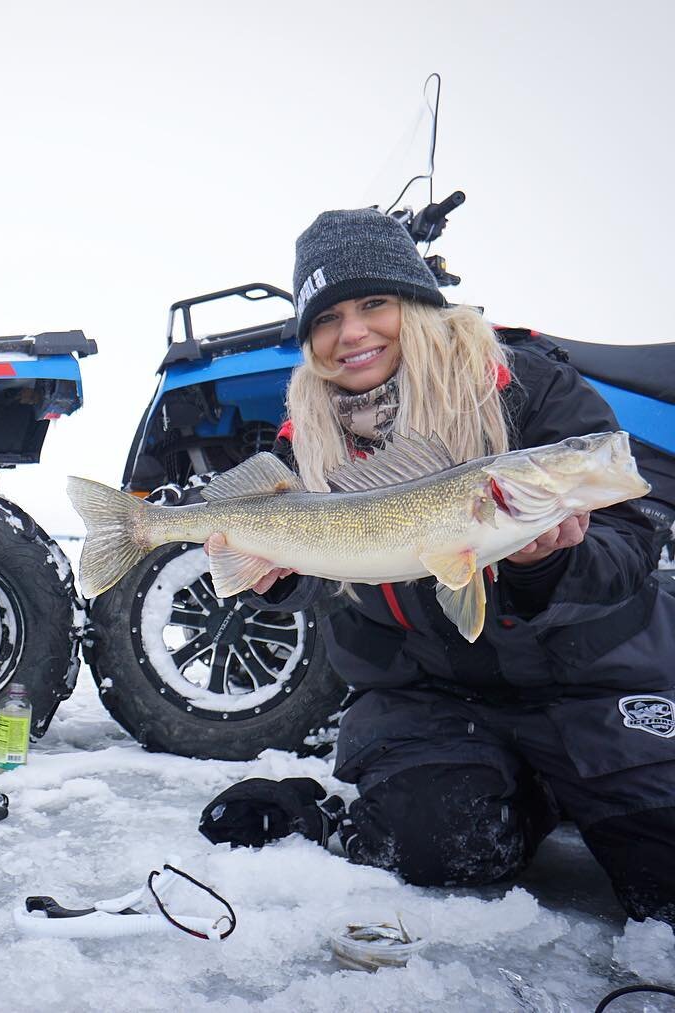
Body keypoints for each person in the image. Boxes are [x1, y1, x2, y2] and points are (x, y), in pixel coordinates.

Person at [226, 207, 675, 924]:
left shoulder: (530, 387)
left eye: (375, 303)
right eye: (327, 317)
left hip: (589, 684)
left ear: (418, 302)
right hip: (433, 698)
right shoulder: (305, 444)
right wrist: (279, 578)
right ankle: (518, 792)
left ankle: (571, 780)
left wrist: (545, 568)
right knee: (441, 843)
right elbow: (322, 560)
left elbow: (633, 534)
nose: (354, 333)